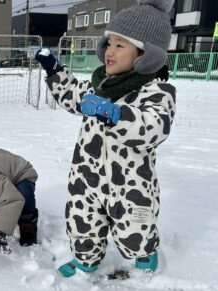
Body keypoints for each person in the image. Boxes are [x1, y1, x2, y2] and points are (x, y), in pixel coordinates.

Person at [35, 0, 176, 277]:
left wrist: (115, 114)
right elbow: (74, 95)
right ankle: (86, 259)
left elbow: (154, 125)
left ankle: (144, 253)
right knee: (82, 221)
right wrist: (54, 71)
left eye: (120, 45)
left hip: (131, 181)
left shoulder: (157, 91)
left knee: (134, 228)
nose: (109, 51)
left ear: (145, 54)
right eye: (108, 43)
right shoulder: (99, 84)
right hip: (87, 175)